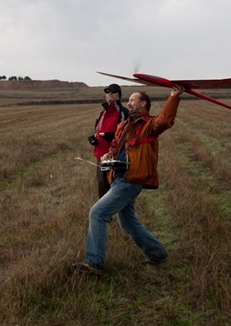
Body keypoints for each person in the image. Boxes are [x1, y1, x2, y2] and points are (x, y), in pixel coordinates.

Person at [74, 85, 185, 276]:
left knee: (97, 213)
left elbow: (166, 120)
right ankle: (157, 253)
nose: (129, 103)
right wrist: (108, 155)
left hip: (131, 179)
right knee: (127, 222)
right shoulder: (123, 126)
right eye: (129, 100)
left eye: (133, 100)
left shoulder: (150, 125)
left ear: (143, 104)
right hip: (119, 177)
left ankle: (94, 263)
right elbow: (115, 147)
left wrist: (174, 96)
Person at [89, 83, 129, 199]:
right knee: (102, 185)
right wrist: (93, 138)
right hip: (100, 156)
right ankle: (104, 210)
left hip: (115, 156)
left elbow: (126, 133)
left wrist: (112, 137)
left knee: (115, 185)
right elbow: (97, 130)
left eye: (113, 91)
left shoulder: (123, 112)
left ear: (119, 95)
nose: (110, 93)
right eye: (107, 92)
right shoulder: (101, 114)